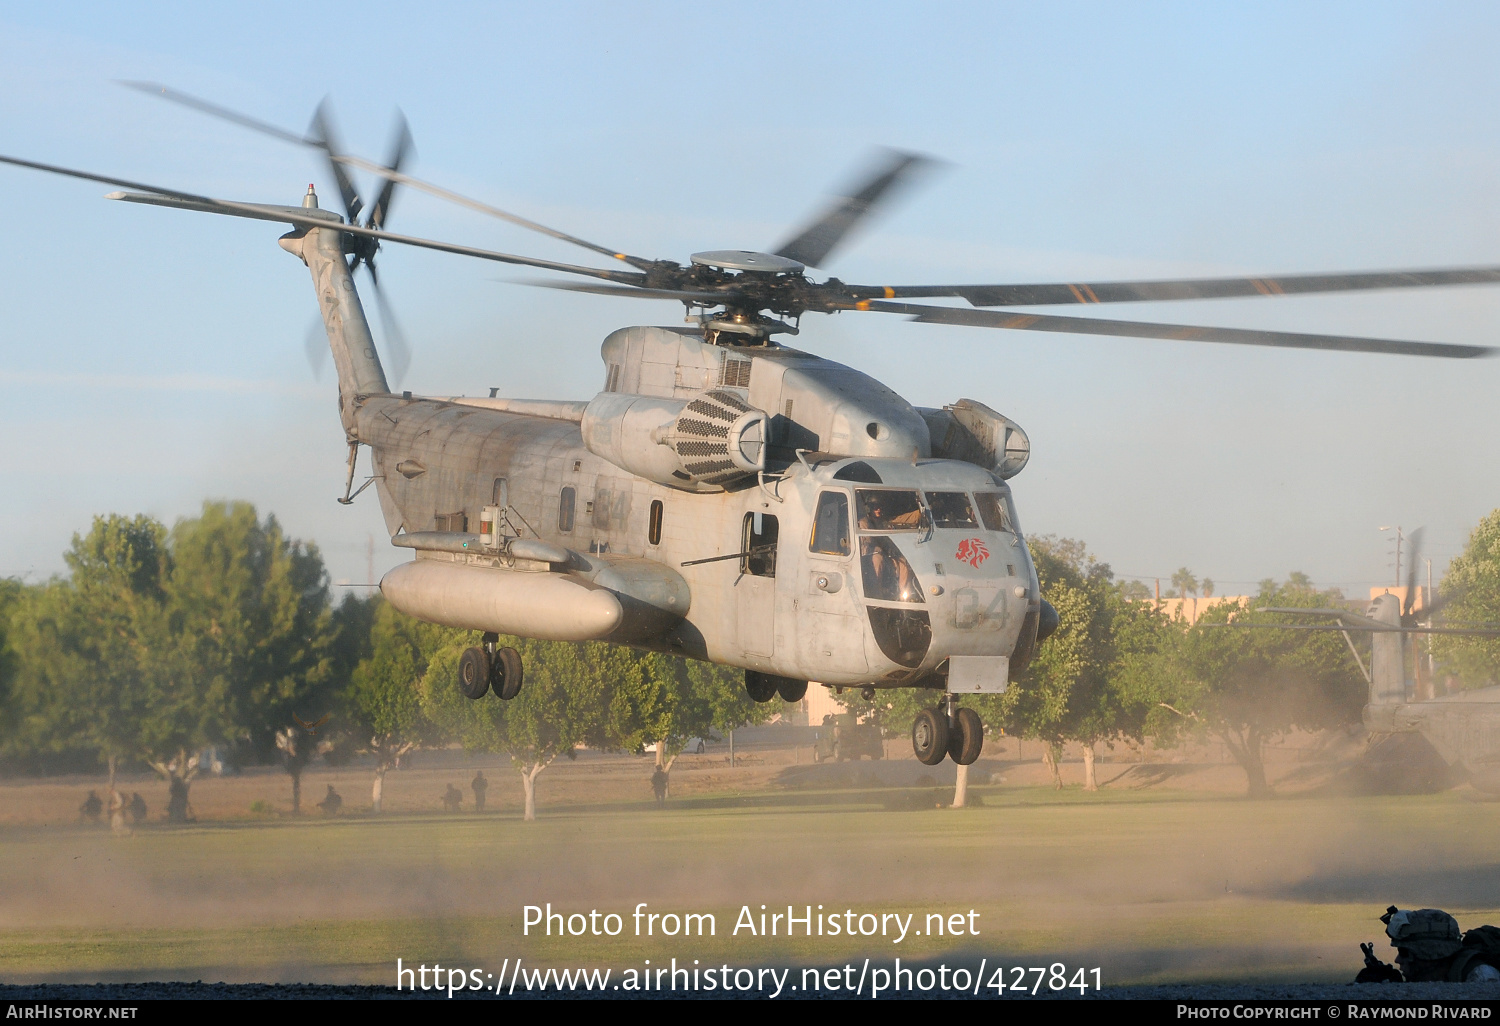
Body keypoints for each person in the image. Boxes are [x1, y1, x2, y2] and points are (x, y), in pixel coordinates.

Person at [1356, 906, 1500, 982]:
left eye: (1404, 952)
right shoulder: (1433, 974)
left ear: (1429, 952)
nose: (1397, 960)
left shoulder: (1481, 975)